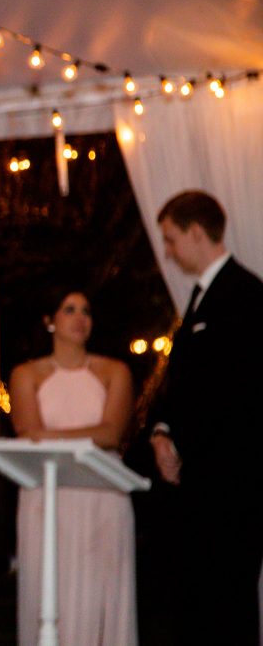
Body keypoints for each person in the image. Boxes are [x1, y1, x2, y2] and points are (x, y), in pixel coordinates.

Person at [146, 190, 263, 645]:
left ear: (198, 233)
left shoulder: (247, 295)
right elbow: (183, 383)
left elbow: (240, 395)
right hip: (200, 489)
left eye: (172, 239)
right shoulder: (201, 296)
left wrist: (186, 446)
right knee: (199, 609)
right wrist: (161, 431)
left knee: (228, 611)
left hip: (233, 488)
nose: (168, 252)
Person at [8, 289, 137, 646]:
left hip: (102, 497)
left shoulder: (115, 371)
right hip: (48, 497)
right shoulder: (26, 374)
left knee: (99, 594)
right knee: (51, 591)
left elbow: (111, 433)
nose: (81, 318)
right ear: (50, 320)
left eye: (86, 311)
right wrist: (78, 437)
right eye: (69, 309)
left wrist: (50, 436)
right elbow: (27, 431)